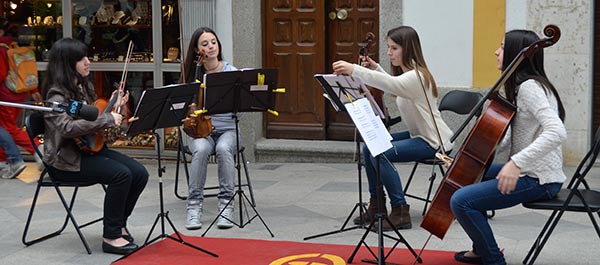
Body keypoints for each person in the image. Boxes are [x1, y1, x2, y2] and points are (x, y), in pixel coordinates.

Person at [450, 30, 567, 265]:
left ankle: (493, 259)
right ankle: (480, 249)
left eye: (502, 47)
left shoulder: (529, 88)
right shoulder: (520, 86)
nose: (496, 51)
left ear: (516, 54)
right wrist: (469, 159)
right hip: (530, 172)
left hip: (539, 179)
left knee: (460, 200)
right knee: (471, 174)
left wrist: (516, 163)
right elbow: (511, 137)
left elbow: (557, 131)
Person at [332, 26, 453, 231]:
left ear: (408, 48)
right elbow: (394, 83)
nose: (389, 52)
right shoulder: (410, 74)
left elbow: (393, 85)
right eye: (388, 47)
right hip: (419, 135)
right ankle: (377, 204)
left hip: (434, 141)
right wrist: (375, 68)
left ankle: (400, 210)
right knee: (370, 146)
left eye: (394, 48)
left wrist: (356, 70)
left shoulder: (418, 77)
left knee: (381, 152)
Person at [41, 38, 148, 255]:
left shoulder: (84, 84)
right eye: (81, 59)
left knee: (139, 173)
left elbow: (98, 129)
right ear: (67, 63)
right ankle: (111, 236)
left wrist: (115, 108)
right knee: (121, 175)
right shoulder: (56, 95)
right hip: (66, 161)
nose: (88, 62)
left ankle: (119, 224)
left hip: (89, 150)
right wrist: (107, 118)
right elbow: (67, 129)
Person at [181, 27, 239, 230]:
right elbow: (181, 109)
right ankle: (194, 206)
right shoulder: (192, 75)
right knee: (201, 149)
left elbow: (241, 104)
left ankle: (226, 205)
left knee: (224, 149)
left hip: (227, 129)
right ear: (197, 50)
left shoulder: (231, 73)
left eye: (213, 42)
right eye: (204, 44)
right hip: (200, 130)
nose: (210, 47)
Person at [0, 17, 43, 170]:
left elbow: (1, 74)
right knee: (5, 128)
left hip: (5, 95)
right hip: (17, 93)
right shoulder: (12, 45)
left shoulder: (1, 49)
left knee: (7, 128)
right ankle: (5, 160)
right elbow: (23, 71)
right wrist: (33, 90)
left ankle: (38, 149)